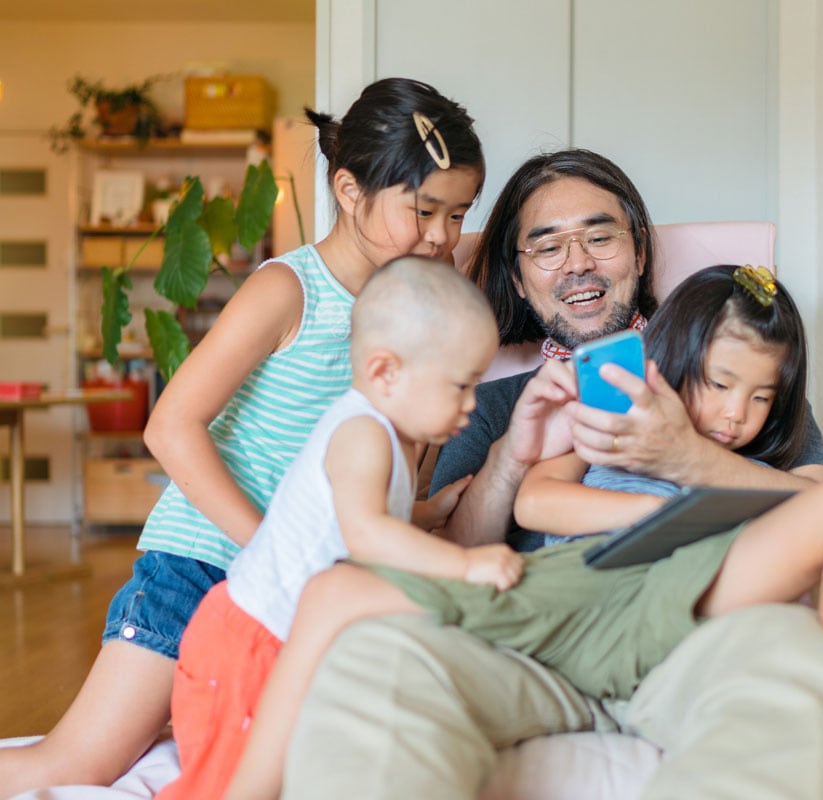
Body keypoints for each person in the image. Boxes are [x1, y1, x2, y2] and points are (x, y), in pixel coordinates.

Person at [282, 149, 823, 799]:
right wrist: (513, 456)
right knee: (377, 661)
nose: (576, 261)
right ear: (519, 279)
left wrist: (691, 460)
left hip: (703, 631)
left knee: (792, 668)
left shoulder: (732, 374)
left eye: (599, 237)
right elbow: (456, 554)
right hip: (526, 640)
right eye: (547, 247)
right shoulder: (475, 400)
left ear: (637, 252)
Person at [0, 77, 485, 798]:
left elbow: (324, 480)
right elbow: (170, 427)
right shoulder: (291, 291)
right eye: (424, 210)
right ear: (348, 190)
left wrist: (420, 514)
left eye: (457, 213)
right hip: (201, 567)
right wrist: (267, 546)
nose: (443, 235)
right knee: (73, 766)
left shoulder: (409, 307)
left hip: (277, 593)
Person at [156, 256, 517, 800]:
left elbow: (351, 513)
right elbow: (366, 533)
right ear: (384, 372)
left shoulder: (387, 435)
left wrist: (429, 510)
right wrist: (465, 564)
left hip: (290, 636)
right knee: (229, 781)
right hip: (250, 640)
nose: (470, 406)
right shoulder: (362, 434)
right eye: (460, 387)